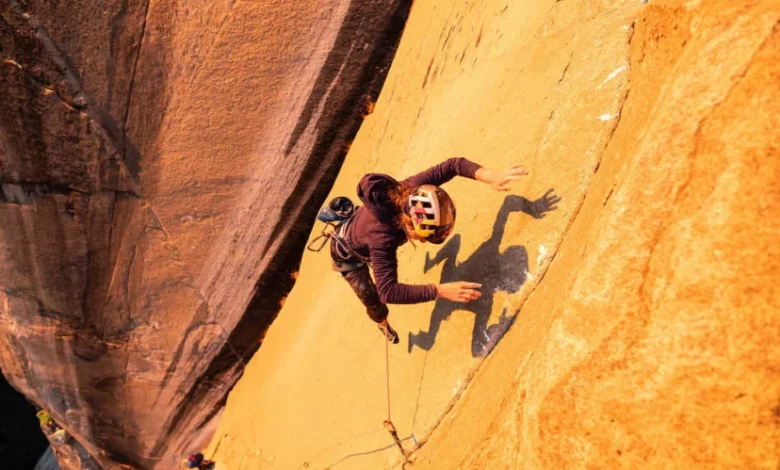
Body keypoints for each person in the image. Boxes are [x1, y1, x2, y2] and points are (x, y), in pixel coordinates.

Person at [329, 157, 528, 343]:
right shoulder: (382, 238)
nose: (424, 241)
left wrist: (490, 176)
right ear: (411, 226)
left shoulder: (412, 190)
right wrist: (439, 290)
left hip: (363, 228)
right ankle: (383, 325)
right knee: (375, 304)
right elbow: (387, 291)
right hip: (347, 257)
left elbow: (453, 165)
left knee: (453, 244)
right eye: (425, 236)